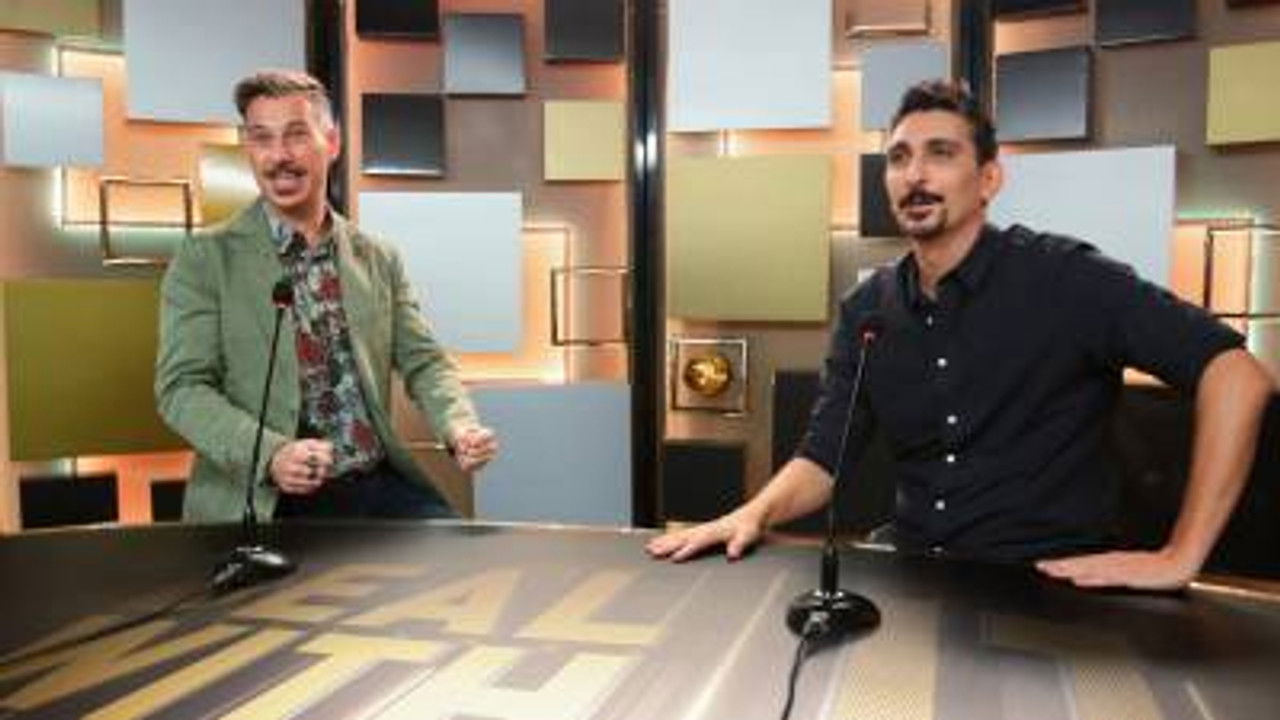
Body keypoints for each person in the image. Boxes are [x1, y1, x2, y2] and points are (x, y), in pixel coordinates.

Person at [647, 80, 1273, 590]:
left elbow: (1236, 374)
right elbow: (823, 458)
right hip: (918, 576)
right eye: (899, 158)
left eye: (941, 153)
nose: (915, 174)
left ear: (989, 179)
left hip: (1051, 586)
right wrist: (751, 513)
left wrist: (1180, 556)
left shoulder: (1067, 278)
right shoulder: (867, 310)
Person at [156, 69, 497, 522]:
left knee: (459, 558)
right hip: (268, 500)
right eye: (261, 138)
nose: (279, 156)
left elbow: (424, 362)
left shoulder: (377, 257)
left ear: (332, 142)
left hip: (374, 483)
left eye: (296, 135)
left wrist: (459, 426)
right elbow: (182, 389)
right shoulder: (205, 258)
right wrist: (271, 455)